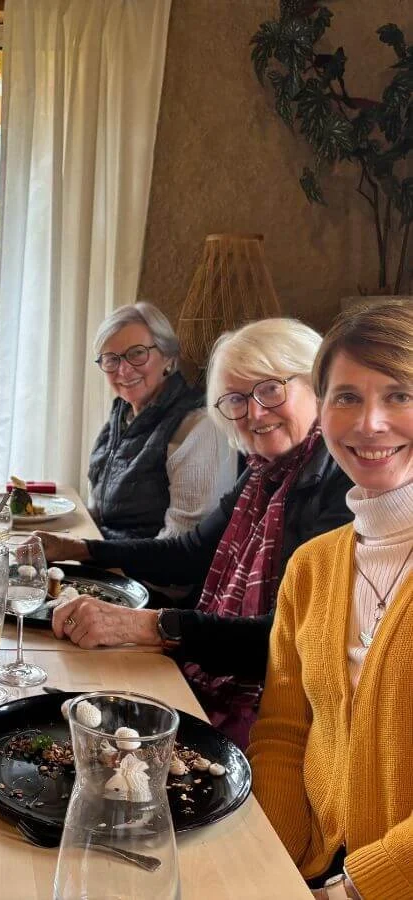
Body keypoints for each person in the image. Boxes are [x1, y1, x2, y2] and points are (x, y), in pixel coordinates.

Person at [41, 318, 353, 746]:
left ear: (318, 384)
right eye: (237, 399)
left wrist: (150, 626)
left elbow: (286, 638)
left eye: (270, 389)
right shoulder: (265, 473)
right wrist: (82, 548)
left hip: (293, 721)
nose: (255, 412)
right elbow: (190, 551)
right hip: (225, 665)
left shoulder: (344, 487)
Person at [249, 301, 413, 900]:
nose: (370, 423)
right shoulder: (312, 567)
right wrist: (275, 865)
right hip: (315, 868)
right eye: (347, 397)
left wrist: (350, 891)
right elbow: (283, 732)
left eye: (400, 395)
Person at [87, 302, 235, 540]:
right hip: (109, 556)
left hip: (151, 574)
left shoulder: (198, 425)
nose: (123, 370)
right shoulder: (121, 415)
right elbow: (101, 509)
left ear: (167, 356)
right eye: (111, 359)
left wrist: (96, 556)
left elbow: (182, 538)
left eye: (137, 353)